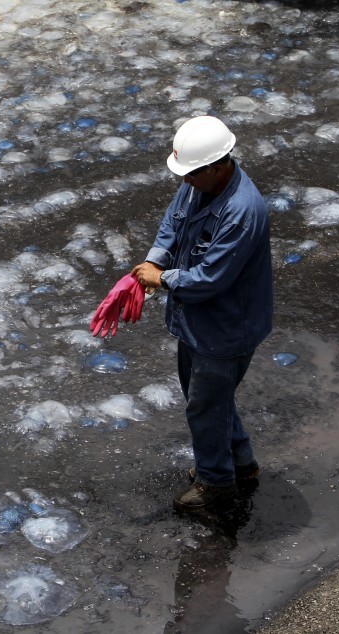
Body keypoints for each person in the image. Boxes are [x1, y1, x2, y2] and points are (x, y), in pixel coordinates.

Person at [131, 115, 273, 512]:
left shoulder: (243, 211)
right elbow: (170, 226)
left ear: (218, 165)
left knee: (205, 405)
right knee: (211, 399)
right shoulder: (196, 185)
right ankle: (241, 463)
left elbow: (210, 278)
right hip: (195, 323)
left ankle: (216, 484)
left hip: (226, 327)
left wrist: (161, 279)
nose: (185, 181)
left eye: (192, 174)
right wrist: (152, 261)